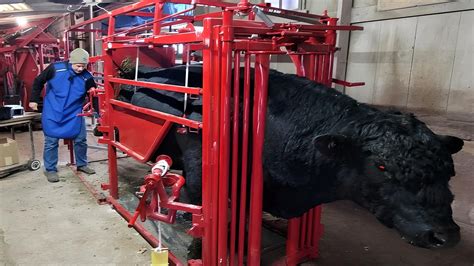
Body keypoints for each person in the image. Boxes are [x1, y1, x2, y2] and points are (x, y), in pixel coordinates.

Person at [30, 48, 96, 182]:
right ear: (71, 61)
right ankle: (50, 169)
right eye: (78, 66)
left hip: (74, 113)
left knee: (81, 140)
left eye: (83, 66)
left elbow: (93, 93)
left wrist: (98, 111)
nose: (80, 69)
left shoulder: (87, 76)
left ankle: (82, 164)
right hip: (53, 111)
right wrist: (33, 99)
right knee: (51, 142)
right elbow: (38, 81)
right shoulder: (55, 68)